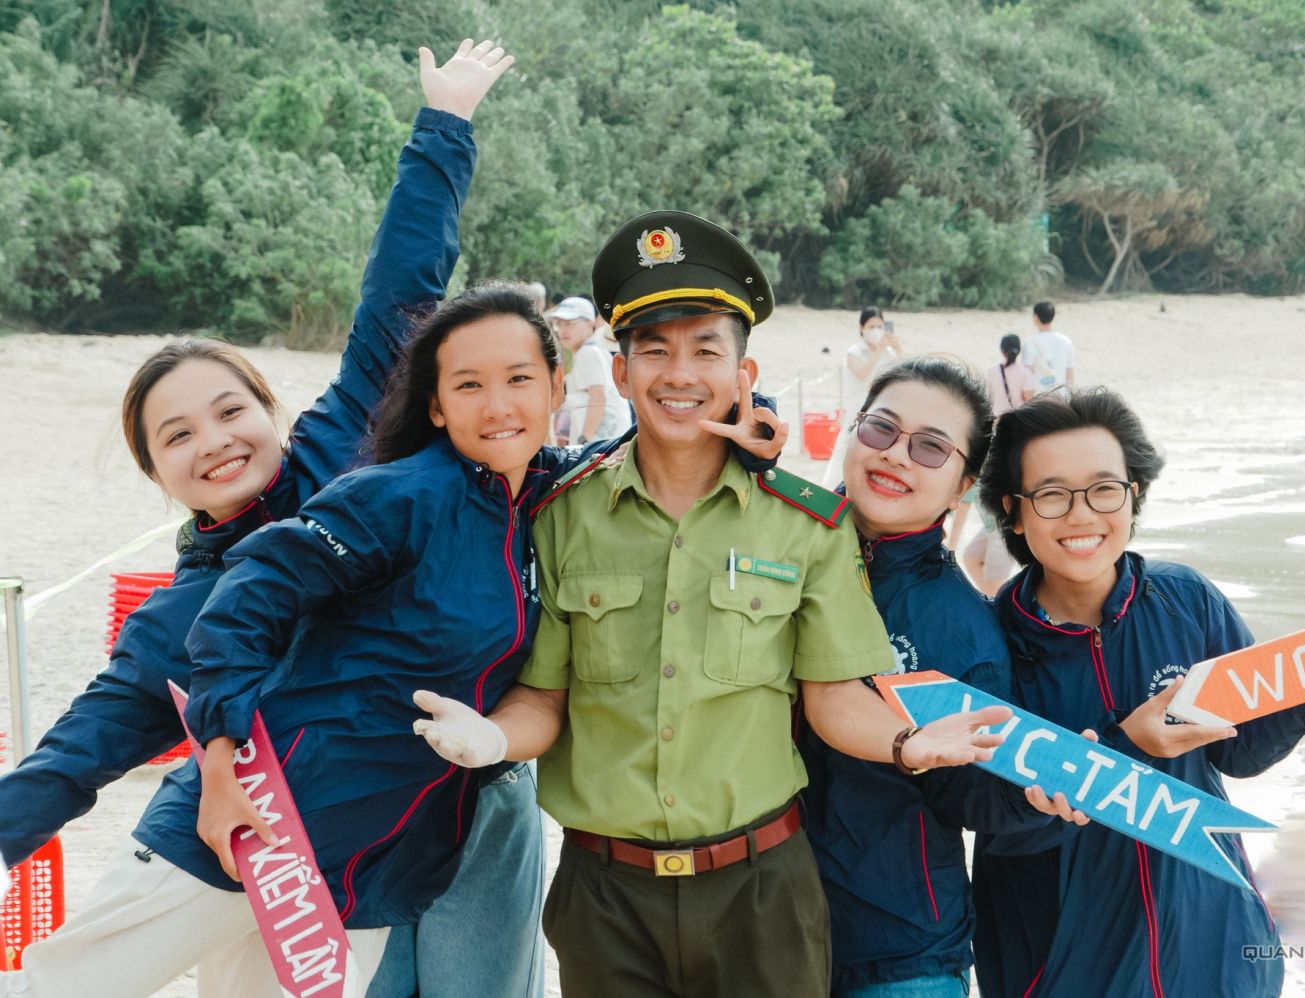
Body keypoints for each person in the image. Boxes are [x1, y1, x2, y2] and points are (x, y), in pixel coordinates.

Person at [0, 37, 505, 996]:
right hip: (210, 847)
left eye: (230, 410)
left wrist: (445, 125)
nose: (216, 441)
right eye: (177, 436)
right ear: (160, 476)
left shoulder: (345, 453)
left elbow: (400, 300)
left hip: (346, 879)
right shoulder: (173, 618)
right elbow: (82, 748)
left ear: (271, 411)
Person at [412, 211, 1012, 998]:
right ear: (620, 373)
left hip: (762, 890)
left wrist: (909, 743)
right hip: (604, 892)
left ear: (743, 374)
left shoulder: (806, 523)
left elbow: (833, 696)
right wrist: (492, 737)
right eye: (653, 351)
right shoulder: (561, 515)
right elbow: (546, 697)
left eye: (705, 350)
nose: (679, 374)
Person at [969, 386, 1305, 998]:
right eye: (1052, 495)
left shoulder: (1185, 600)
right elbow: (992, 814)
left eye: (1105, 489)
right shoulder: (992, 642)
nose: (1082, 515)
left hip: (1212, 949)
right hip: (1059, 964)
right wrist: (1124, 743)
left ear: (1134, 496)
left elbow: (1242, 750)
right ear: (1015, 511)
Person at [800, 355, 1089, 998]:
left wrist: (1032, 797)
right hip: (760, 925)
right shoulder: (772, 551)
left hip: (901, 951)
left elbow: (969, 796)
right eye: (881, 429)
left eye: (932, 447)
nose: (897, 456)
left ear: (963, 484)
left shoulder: (961, 627)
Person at [958, 334, 1027, 594]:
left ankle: (999, 609)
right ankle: (993, 605)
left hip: (1001, 432)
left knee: (990, 574)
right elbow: (1029, 401)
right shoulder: (1025, 373)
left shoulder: (991, 373)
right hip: (1016, 433)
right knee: (972, 558)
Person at [823, 306, 903, 487]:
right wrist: (878, 351)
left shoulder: (889, 353)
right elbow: (862, 375)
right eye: (871, 327)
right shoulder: (854, 352)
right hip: (858, 409)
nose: (876, 331)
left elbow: (902, 377)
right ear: (861, 328)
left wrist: (898, 351)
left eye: (879, 326)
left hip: (884, 409)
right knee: (848, 449)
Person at [549, 295, 630, 444]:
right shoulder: (593, 350)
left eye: (570, 323)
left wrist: (583, 440)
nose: (563, 330)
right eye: (558, 324)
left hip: (599, 444)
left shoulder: (588, 353)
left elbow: (598, 398)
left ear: (590, 323)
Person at [1019, 301, 1074, 401]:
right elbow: (1069, 375)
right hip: (1061, 397)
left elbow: (1027, 375)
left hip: (1039, 398)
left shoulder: (1030, 343)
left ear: (1035, 317)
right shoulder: (1066, 342)